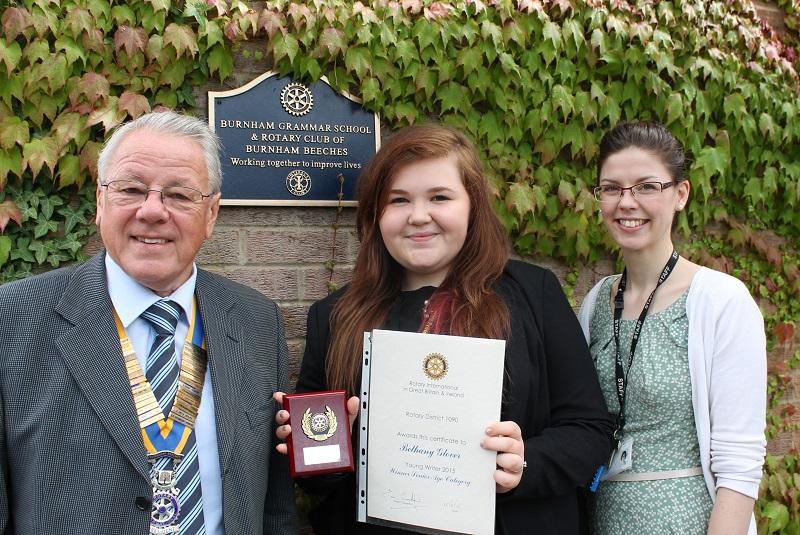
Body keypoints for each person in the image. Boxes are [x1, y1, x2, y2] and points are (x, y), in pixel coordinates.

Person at [275, 124, 615, 534]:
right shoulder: (335, 316)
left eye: (439, 197)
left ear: (472, 205)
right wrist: (327, 444)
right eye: (399, 200)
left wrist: (525, 462)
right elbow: (317, 478)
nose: (419, 216)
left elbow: (590, 429)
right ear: (376, 215)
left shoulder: (533, 294)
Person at [0, 111, 297, 534]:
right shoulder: (12, 319)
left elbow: (275, 507)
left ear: (211, 214)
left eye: (179, 195)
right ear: (101, 203)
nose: (153, 211)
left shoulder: (256, 319)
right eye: (132, 189)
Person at [578, 121, 766, 535]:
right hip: (601, 520)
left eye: (646, 186)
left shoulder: (722, 302)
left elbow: (740, 462)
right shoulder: (595, 304)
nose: (626, 202)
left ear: (680, 194)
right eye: (611, 188)